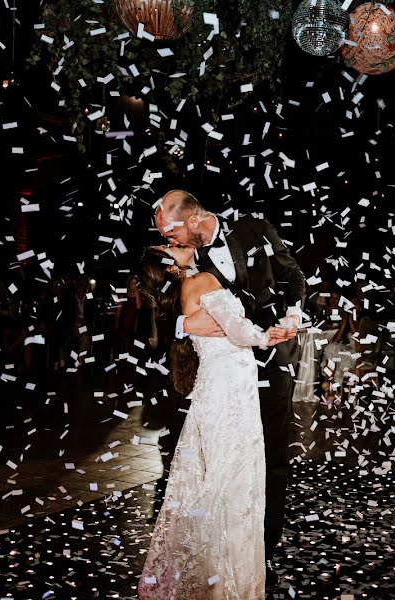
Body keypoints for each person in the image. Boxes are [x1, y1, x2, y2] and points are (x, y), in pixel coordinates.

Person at [154, 190, 306, 578]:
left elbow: (292, 274)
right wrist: (182, 324)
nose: (167, 241)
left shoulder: (254, 227)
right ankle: (209, 551)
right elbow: (158, 310)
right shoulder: (181, 261)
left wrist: (292, 314)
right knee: (212, 461)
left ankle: (259, 551)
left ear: (191, 221)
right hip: (218, 375)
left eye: (169, 232)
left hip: (272, 367)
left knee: (269, 458)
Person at [136, 245, 294, 599]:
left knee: (218, 477)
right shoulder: (200, 280)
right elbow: (238, 331)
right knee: (232, 481)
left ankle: (212, 576)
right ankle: (226, 583)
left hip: (222, 386)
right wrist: (269, 336)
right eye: (171, 246)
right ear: (170, 266)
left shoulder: (187, 285)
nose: (178, 244)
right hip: (229, 391)